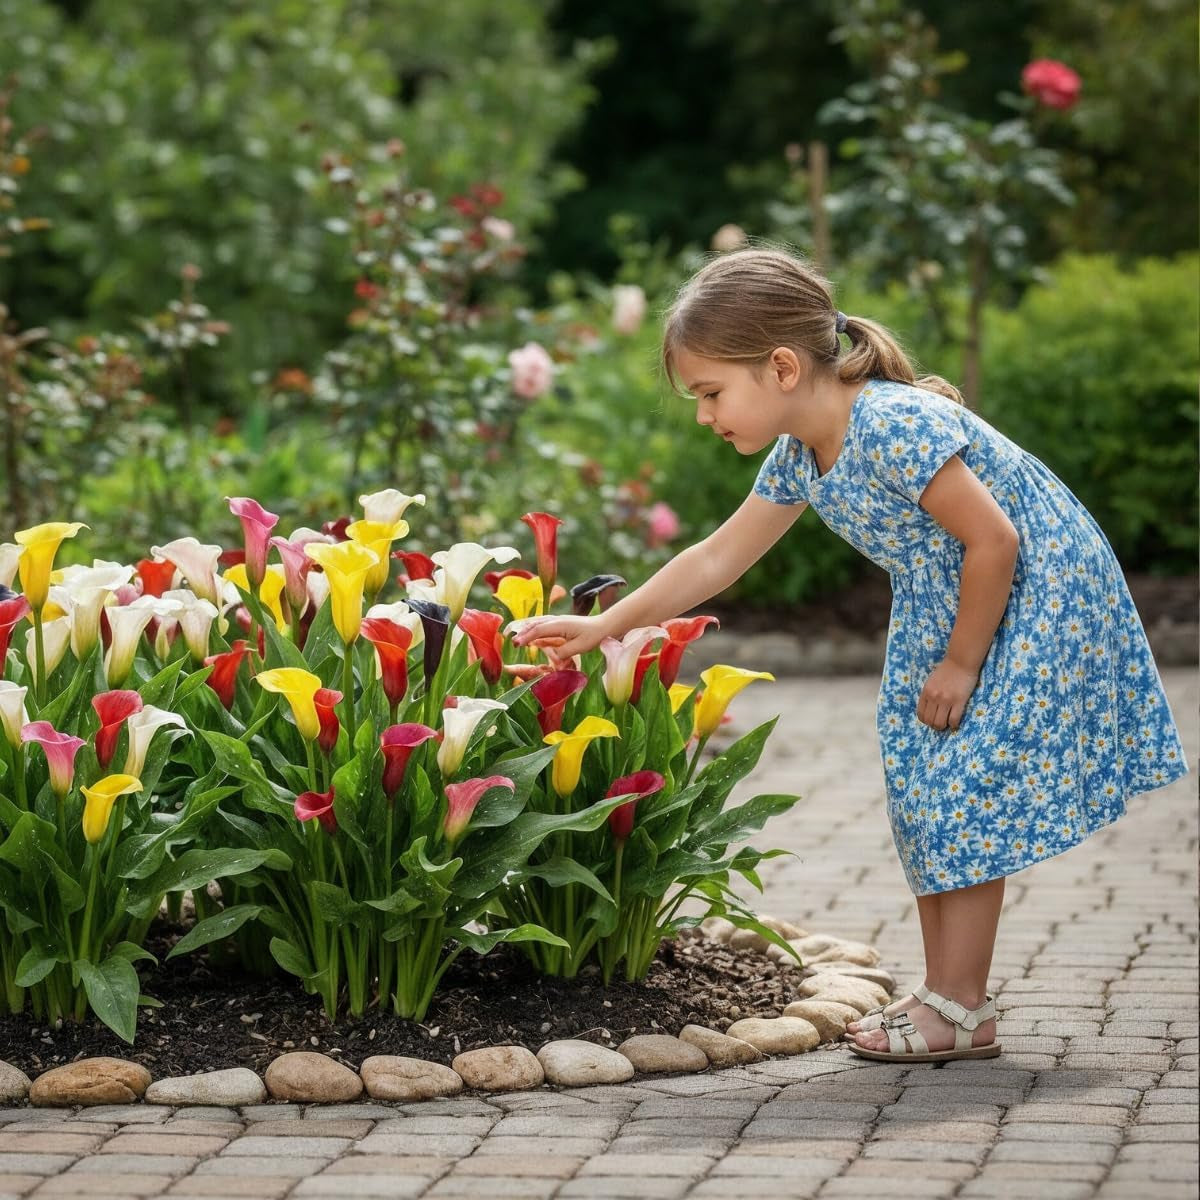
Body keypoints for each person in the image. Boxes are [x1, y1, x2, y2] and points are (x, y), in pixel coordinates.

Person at [512, 246, 1189, 1064]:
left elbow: (996, 539)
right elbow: (715, 559)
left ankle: (961, 1008)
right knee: (920, 783)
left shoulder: (891, 424)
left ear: (784, 366)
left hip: (1024, 594)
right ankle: (947, 993)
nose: (704, 415)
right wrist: (603, 626)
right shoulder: (800, 455)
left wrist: (962, 664)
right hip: (949, 601)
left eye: (711, 393)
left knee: (963, 796)